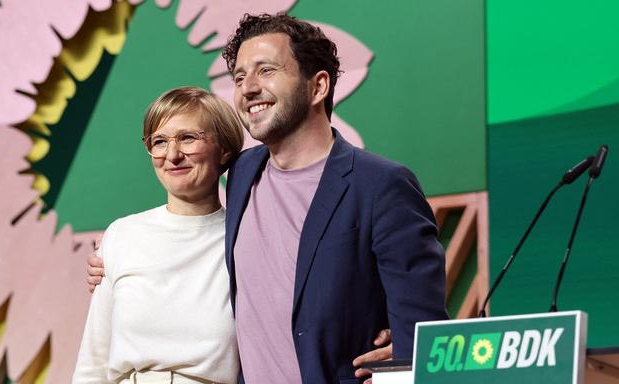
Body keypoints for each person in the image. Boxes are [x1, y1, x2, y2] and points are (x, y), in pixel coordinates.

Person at [90, 13, 448, 383]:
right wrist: (112, 254)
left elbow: (423, 331)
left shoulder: (381, 185)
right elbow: (189, 229)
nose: (247, 88)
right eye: (240, 77)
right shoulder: (241, 172)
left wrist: (403, 362)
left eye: (266, 70)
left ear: (318, 86)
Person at [72, 87, 244, 383]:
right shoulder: (122, 235)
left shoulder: (246, 239)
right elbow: (94, 359)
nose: (173, 155)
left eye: (188, 138)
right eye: (159, 142)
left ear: (224, 148)